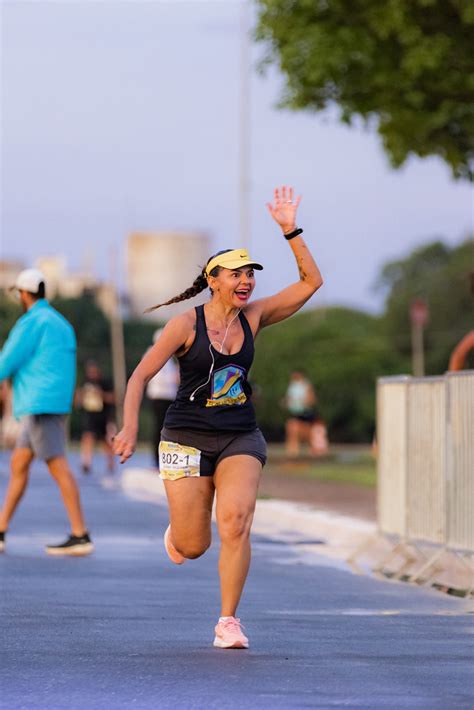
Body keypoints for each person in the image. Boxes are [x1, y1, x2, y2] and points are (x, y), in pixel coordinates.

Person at [113, 186, 323, 649]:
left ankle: (229, 620)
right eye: (237, 274)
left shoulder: (257, 317)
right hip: (184, 437)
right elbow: (139, 377)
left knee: (236, 520)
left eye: (250, 273)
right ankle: (181, 532)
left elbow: (311, 283)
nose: (247, 280)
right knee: (194, 546)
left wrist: (291, 230)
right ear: (215, 280)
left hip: (239, 436)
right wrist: (130, 427)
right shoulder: (184, 325)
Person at [0, 269, 93, 556]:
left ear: (24, 294)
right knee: (19, 464)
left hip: (39, 404)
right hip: (53, 402)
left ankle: (80, 534)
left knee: (58, 465)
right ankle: (1, 530)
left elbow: (8, 359)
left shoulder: (31, 322)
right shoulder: (60, 323)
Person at [145, 329, 179, 467]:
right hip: (159, 397)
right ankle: (156, 460)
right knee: (160, 428)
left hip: (169, 397)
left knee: (168, 429)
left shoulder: (169, 358)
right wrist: (175, 378)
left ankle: (165, 458)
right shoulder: (153, 353)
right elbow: (156, 376)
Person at [76, 360, 116, 474]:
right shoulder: (85, 383)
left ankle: (110, 463)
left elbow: (113, 398)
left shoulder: (105, 383)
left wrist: (101, 394)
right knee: (87, 437)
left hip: (103, 416)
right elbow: (78, 400)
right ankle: (86, 462)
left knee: (105, 440)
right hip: (89, 415)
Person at [284, 370, 328, 457]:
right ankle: (293, 455)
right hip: (296, 415)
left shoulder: (306, 386)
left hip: (306, 415)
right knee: (292, 430)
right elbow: (288, 400)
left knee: (308, 436)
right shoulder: (292, 387)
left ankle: (311, 452)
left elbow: (311, 400)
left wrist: (301, 402)